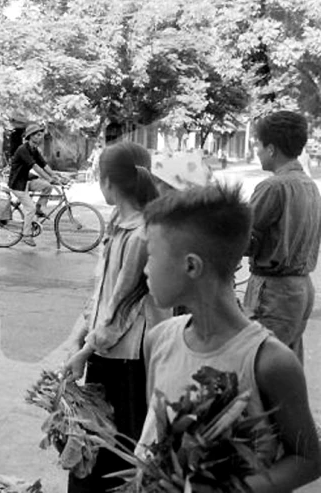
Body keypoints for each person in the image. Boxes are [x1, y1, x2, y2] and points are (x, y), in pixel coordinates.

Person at [139, 184, 321, 492]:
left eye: (151, 256)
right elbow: (156, 436)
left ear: (191, 266)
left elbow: (308, 459)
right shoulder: (158, 340)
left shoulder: (269, 362)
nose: (144, 269)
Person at [58, 141, 166, 493]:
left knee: (121, 454)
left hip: (130, 361)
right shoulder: (119, 222)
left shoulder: (142, 233)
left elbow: (120, 308)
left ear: (106, 182)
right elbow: (100, 294)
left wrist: (84, 350)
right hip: (105, 351)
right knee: (91, 448)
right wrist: (78, 338)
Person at [245, 111, 321, 364]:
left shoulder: (273, 187)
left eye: (258, 145)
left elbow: (240, 237)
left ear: (272, 149)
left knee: (259, 365)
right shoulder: (309, 185)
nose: (256, 151)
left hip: (274, 291)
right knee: (287, 363)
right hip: (300, 288)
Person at [8, 124, 68, 246]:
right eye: (37, 135)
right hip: (17, 184)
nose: (40, 137)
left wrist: (56, 176)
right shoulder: (23, 149)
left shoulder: (34, 149)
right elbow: (35, 167)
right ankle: (26, 234)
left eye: (41, 135)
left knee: (47, 186)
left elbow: (43, 165)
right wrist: (50, 178)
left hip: (26, 181)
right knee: (30, 208)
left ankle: (40, 208)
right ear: (30, 136)